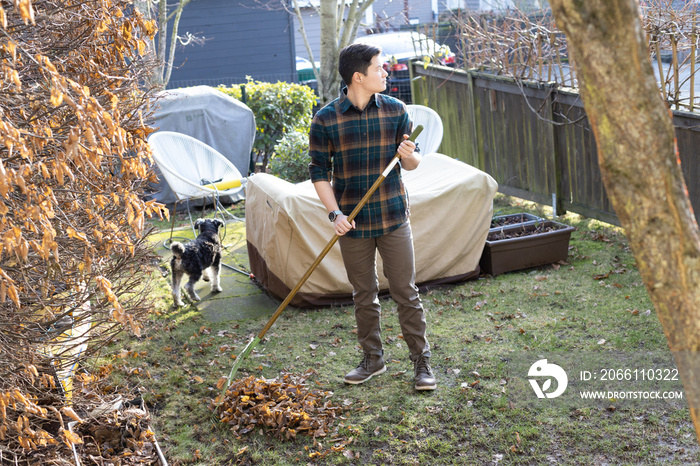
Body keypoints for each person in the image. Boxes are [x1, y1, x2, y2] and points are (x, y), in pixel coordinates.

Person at [308, 43, 436, 391]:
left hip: (393, 216)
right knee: (363, 295)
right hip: (353, 223)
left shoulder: (396, 111)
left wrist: (408, 155)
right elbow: (319, 173)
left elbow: (412, 163)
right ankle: (373, 359)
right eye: (380, 68)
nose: (386, 73)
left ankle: (421, 363)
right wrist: (334, 213)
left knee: (405, 292)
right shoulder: (326, 120)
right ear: (358, 76)